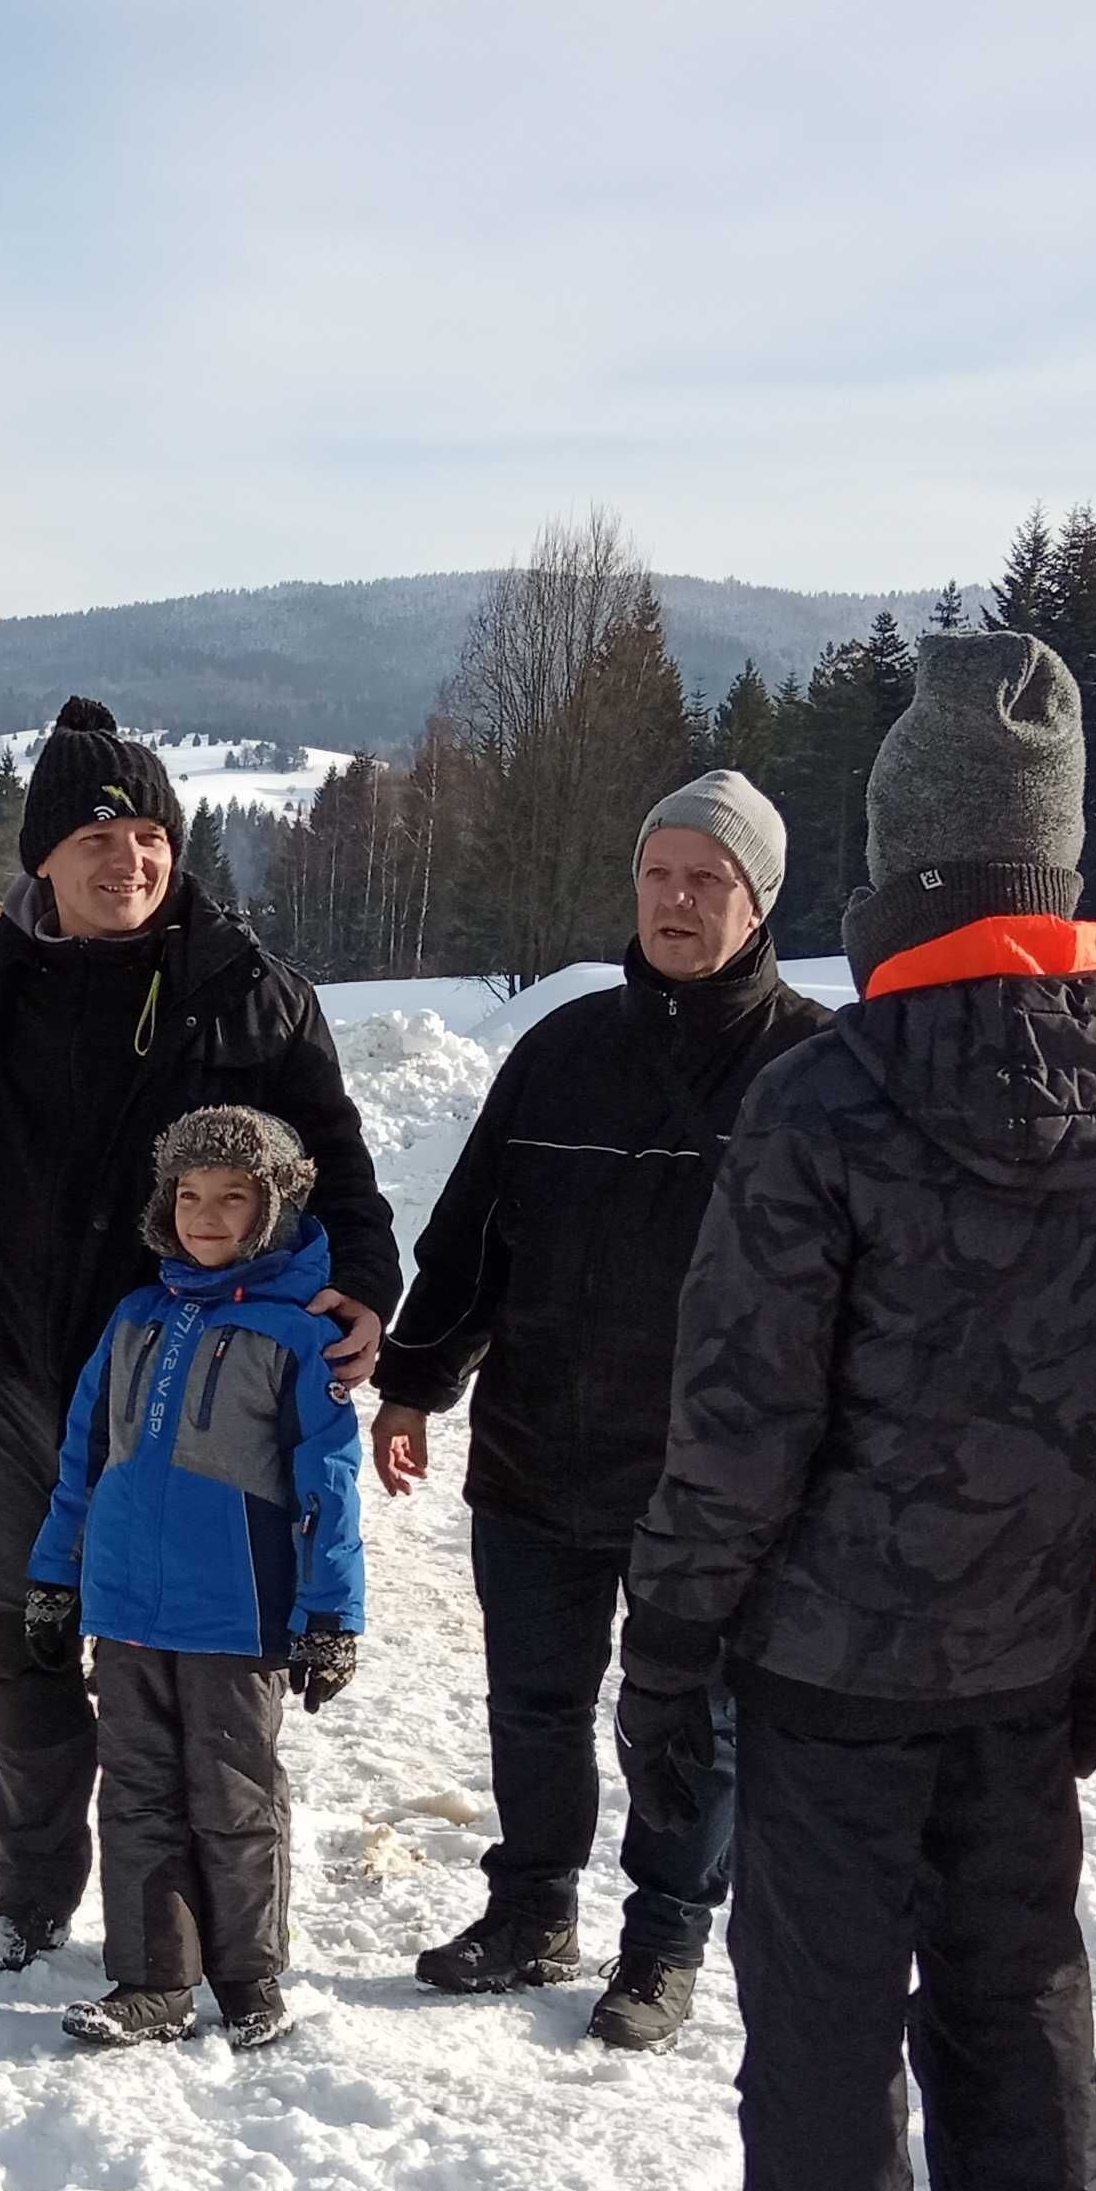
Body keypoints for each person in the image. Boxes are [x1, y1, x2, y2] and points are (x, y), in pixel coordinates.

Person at [635, 632, 1096, 2191]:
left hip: (830, 1661)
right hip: (1033, 1652)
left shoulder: (828, 1104)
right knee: (1019, 1994)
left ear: (901, 868)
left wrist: (672, 1636)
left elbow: (738, 1423)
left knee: (822, 2022)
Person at [0, 697, 399, 1972]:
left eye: (150, 835)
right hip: (11, 1382)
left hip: (194, 1397)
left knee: (195, 1675)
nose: (130, 860)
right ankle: (33, 1888)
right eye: (99, 839)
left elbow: (338, 1169)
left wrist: (365, 1285)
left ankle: (213, 1929)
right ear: (43, 859)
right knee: (30, 1645)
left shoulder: (247, 997)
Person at [372, 770, 825, 2048]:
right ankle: (529, 1911)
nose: (676, 900)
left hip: (712, 1480)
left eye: (707, 878)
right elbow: (470, 1239)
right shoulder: (559, 1050)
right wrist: (415, 1380)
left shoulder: (813, 1072)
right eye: (657, 873)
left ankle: (662, 1941)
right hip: (536, 1449)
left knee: (684, 1715)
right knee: (533, 1701)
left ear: (757, 898)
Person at [23, 1106, 367, 2050]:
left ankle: (249, 1977)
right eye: (188, 1195)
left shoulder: (301, 1339)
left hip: (236, 1615)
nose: (205, 1216)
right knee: (134, 1792)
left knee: (233, 1795)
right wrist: (56, 1576)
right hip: (129, 1612)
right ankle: (150, 1981)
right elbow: (84, 1458)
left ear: (275, 1207)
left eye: (232, 1197)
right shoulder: (136, 1317)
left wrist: (333, 1614)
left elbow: (330, 1489)